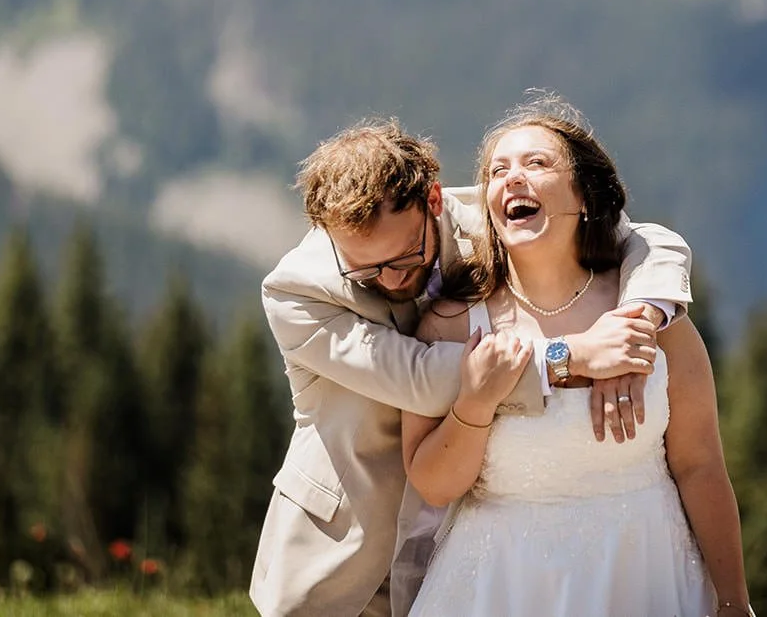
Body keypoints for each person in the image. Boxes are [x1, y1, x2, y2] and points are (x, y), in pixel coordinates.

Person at [250, 116, 694, 617]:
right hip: (346, 551)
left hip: (474, 551)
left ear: (433, 201)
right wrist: (570, 355)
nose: (393, 281)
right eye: (366, 270)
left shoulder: (496, 221)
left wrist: (637, 320)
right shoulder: (296, 293)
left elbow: (650, 241)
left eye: (405, 257)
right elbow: (419, 377)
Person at [399, 96, 754, 616]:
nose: (512, 178)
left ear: (585, 195)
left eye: (536, 164)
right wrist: (475, 403)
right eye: (497, 171)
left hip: (647, 573)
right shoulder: (451, 325)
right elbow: (432, 483)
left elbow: (700, 465)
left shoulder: (650, 313)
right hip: (505, 586)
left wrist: (732, 600)